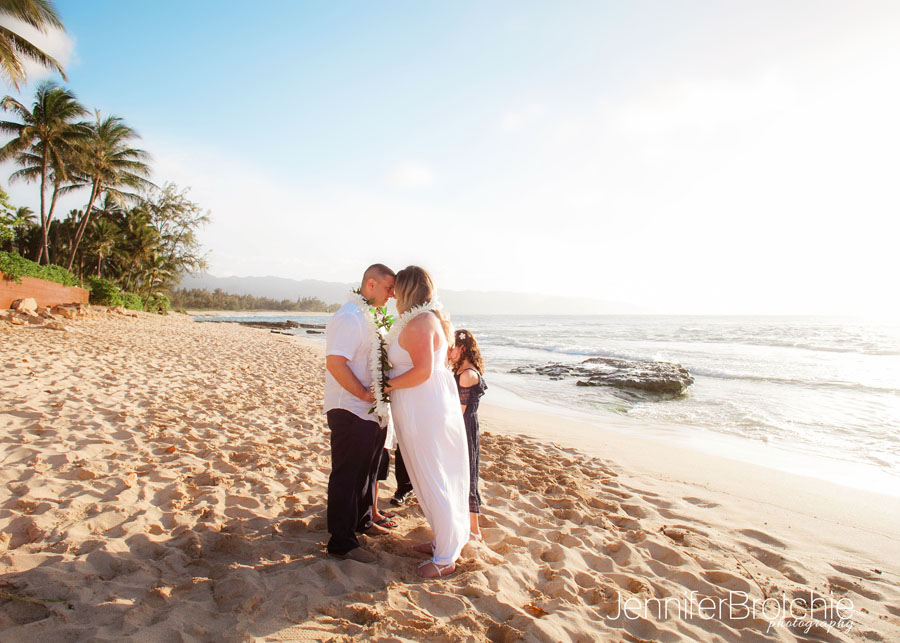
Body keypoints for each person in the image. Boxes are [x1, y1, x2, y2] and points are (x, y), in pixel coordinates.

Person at [385, 266, 470, 578]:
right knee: (427, 471)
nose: (391, 293)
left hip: (422, 405)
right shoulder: (422, 318)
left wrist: (387, 386)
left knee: (433, 471)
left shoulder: (421, 323)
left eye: (396, 288)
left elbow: (421, 371)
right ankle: (443, 538)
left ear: (407, 291)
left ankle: (446, 556)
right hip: (421, 403)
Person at [323, 263, 395, 563]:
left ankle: (362, 521)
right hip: (350, 407)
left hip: (371, 411)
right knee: (347, 475)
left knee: (367, 471)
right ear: (370, 284)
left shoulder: (372, 317)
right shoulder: (349, 317)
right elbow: (336, 363)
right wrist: (364, 394)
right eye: (389, 288)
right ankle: (341, 541)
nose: (392, 296)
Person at [448, 329, 488, 541]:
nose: (449, 350)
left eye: (452, 346)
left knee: (468, 473)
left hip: (464, 427)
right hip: (463, 425)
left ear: (462, 348)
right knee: (461, 472)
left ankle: (474, 529)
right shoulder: (462, 371)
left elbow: (459, 411)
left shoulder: (467, 376)